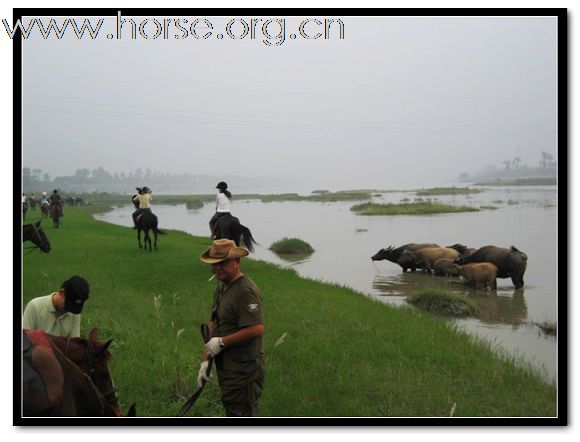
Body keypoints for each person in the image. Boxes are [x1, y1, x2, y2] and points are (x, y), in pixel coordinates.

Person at [197, 239, 265, 417]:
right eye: (214, 264)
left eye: (223, 263)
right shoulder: (222, 287)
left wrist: (221, 342)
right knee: (232, 409)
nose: (217, 268)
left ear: (237, 262)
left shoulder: (245, 291)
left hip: (244, 372)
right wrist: (205, 360)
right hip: (228, 369)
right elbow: (214, 320)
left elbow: (256, 329)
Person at [22, 275, 90, 338]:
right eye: (68, 305)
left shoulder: (74, 313)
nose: (69, 310)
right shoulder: (34, 306)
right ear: (61, 293)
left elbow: (74, 344)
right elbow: (24, 341)